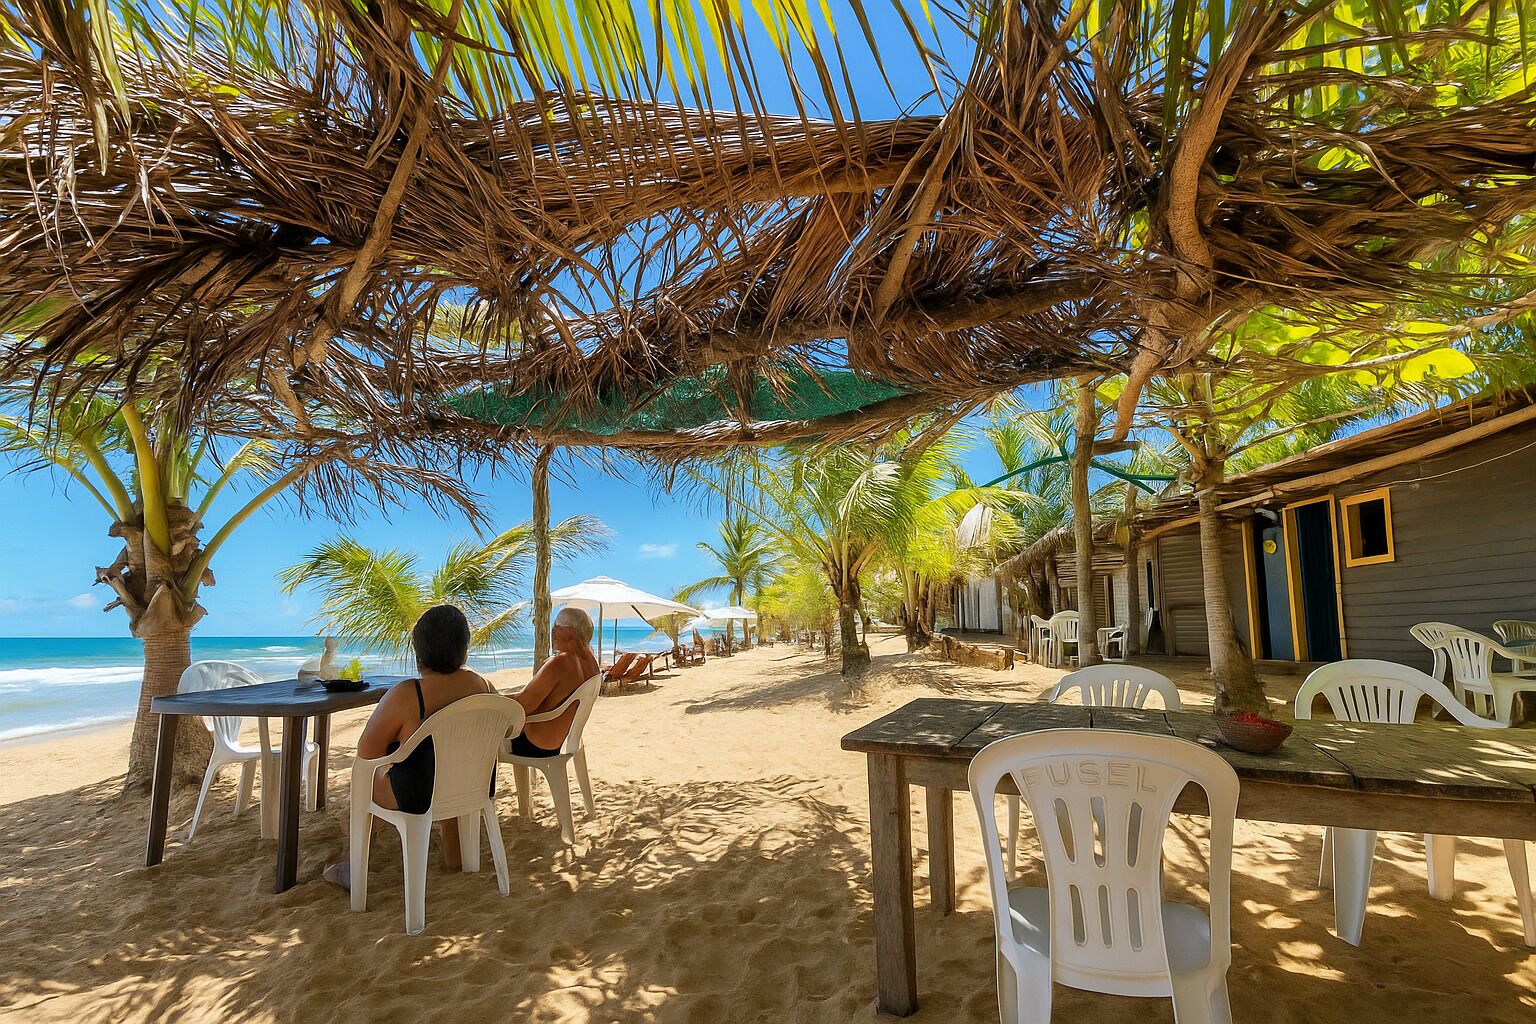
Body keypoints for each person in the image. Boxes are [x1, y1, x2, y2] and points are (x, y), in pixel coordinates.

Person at [324, 605, 494, 889]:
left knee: (362, 779)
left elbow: (367, 752)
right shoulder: (482, 686)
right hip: (471, 786)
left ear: (417, 651)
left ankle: (352, 865)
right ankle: (455, 859)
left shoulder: (407, 694)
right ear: (465, 649)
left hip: (419, 797)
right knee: (443, 763)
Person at [507, 606, 599, 757]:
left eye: (556, 627)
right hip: (561, 740)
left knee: (486, 737)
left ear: (568, 633)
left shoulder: (559, 663)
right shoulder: (591, 663)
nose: (553, 632)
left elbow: (522, 706)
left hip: (537, 743)